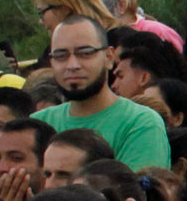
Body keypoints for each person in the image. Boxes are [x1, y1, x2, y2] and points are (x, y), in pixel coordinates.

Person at [41, 17, 172, 171]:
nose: (72, 65)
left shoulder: (140, 123)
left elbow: (133, 192)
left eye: (85, 53)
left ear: (109, 58)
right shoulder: (40, 123)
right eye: (61, 56)